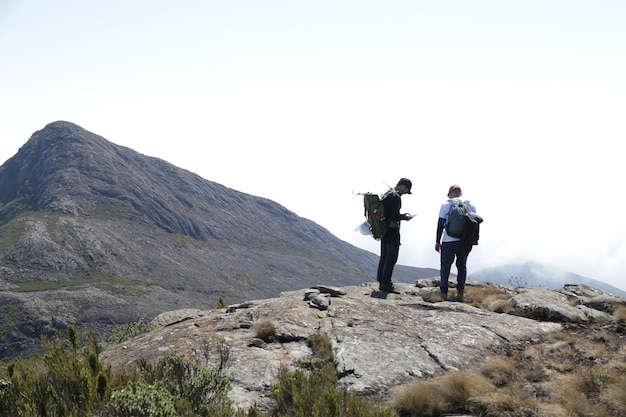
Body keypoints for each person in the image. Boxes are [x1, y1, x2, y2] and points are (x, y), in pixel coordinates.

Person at [435, 184, 477, 301]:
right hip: (464, 241)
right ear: (460, 193)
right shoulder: (470, 205)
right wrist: (472, 241)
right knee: (461, 266)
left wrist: (437, 241)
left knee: (445, 266)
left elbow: (440, 224)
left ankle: (443, 292)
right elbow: (475, 225)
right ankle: (460, 292)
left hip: (448, 241)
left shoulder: (446, 204)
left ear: (450, 193)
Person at [377, 178, 414, 292]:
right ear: (403, 186)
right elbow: (394, 216)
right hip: (392, 231)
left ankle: (381, 280)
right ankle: (386, 283)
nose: (405, 193)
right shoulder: (396, 197)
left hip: (383, 230)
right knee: (391, 258)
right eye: (406, 190)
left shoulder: (387, 193)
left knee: (384, 256)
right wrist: (405, 217)